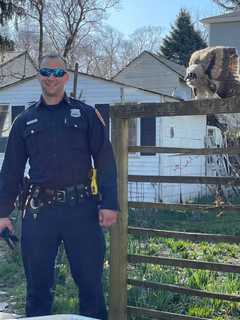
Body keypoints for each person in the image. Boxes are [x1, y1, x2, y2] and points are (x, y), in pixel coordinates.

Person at [0, 53, 119, 319]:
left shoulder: (86, 114)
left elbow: (105, 160)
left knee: (90, 286)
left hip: (82, 211)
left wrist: (109, 203)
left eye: (57, 73)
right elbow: (11, 170)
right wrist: (2, 212)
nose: (51, 78)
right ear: (38, 76)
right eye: (46, 72)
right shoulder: (24, 121)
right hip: (40, 214)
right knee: (38, 289)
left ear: (65, 77)